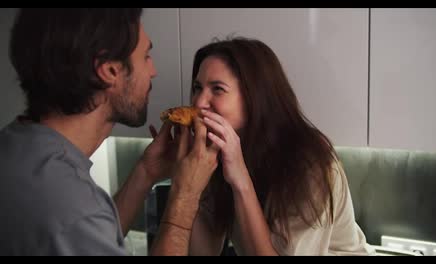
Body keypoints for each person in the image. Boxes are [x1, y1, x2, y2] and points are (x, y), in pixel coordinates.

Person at [0, 8, 219, 256]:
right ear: (110, 70)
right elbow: (78, 224)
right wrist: (185, 197)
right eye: (146, 56)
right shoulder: (71, 208)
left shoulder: (15, 147)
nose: (153, 70)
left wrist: (145, 173)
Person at [188, 37, 376, 256]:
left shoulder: (311, 164)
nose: (199, 102)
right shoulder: (214, 155)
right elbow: (203, 252)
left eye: (217, 89)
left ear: (254, 98)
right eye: (197, 87)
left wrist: (240, 179)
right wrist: (188, 182)